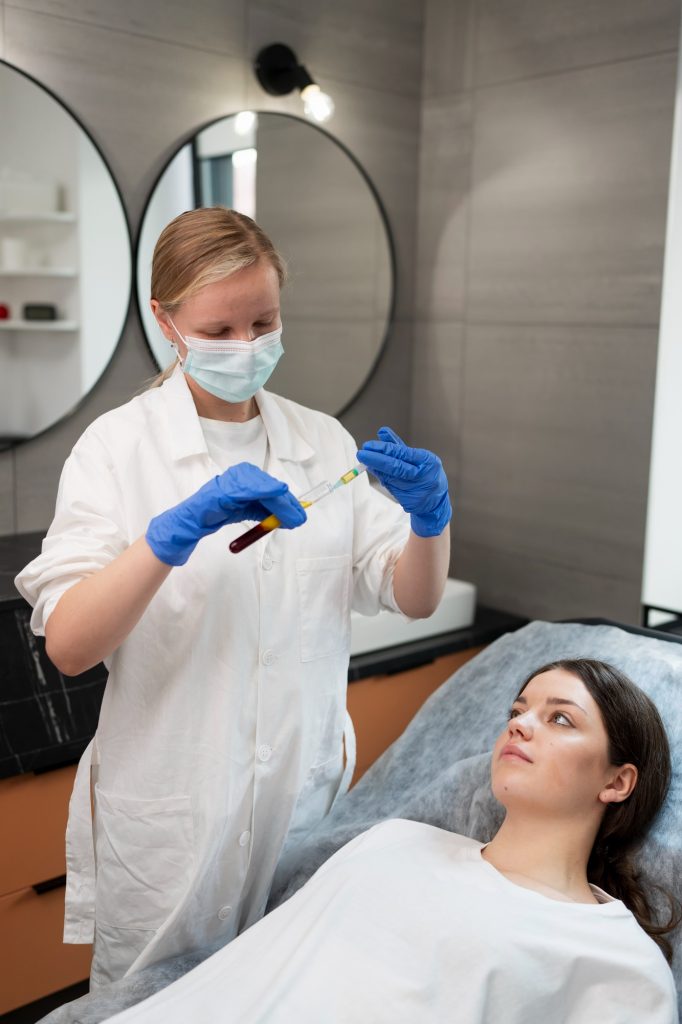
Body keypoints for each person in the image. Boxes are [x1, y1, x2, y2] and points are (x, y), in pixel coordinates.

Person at [14, 207, 452, 987]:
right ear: (166, 321)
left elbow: (413, 596)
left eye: (264, 320)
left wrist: (431, 520)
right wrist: (167, 537)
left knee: (285, 989)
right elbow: (71, 645)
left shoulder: (322, 441)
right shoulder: (117, 449)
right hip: (170, 825)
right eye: (220, 329)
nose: (247, 346)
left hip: (301, 805)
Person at [78, 659, 680, 1024]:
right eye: (519, 709)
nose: (519, 722)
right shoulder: (392, 845)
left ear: (617, 780)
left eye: (560, 719)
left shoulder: (613, 959)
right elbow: (247, 978)